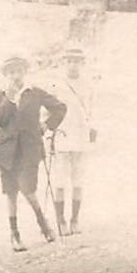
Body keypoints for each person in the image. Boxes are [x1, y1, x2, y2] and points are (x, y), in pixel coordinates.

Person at [0, 55, 65, 251]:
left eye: (19, 71)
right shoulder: (0, 96)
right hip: (6, 151)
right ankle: (14, 234)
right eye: (11, 72)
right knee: (11, 193)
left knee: (28, 189)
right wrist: (10, 100)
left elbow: (59, 108)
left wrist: (46, 125)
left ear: (25, 72)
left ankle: (43, 223)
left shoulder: (35, 93)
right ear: (6, 75)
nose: (16, 76)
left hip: (30, 150)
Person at [47, 45, 97, 235]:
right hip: (61, 136)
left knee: (78, 181)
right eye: (69, 61)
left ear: (82, 63)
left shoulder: (87, 85)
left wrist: (91, 128)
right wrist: (49, 133)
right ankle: (60, 221)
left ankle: (75, 220)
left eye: (76, 61)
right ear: (64, 62)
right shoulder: (56, 84)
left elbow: (91, 111)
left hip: (81, 137)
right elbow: (49, 111)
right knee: (60, 181)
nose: (73, 65)